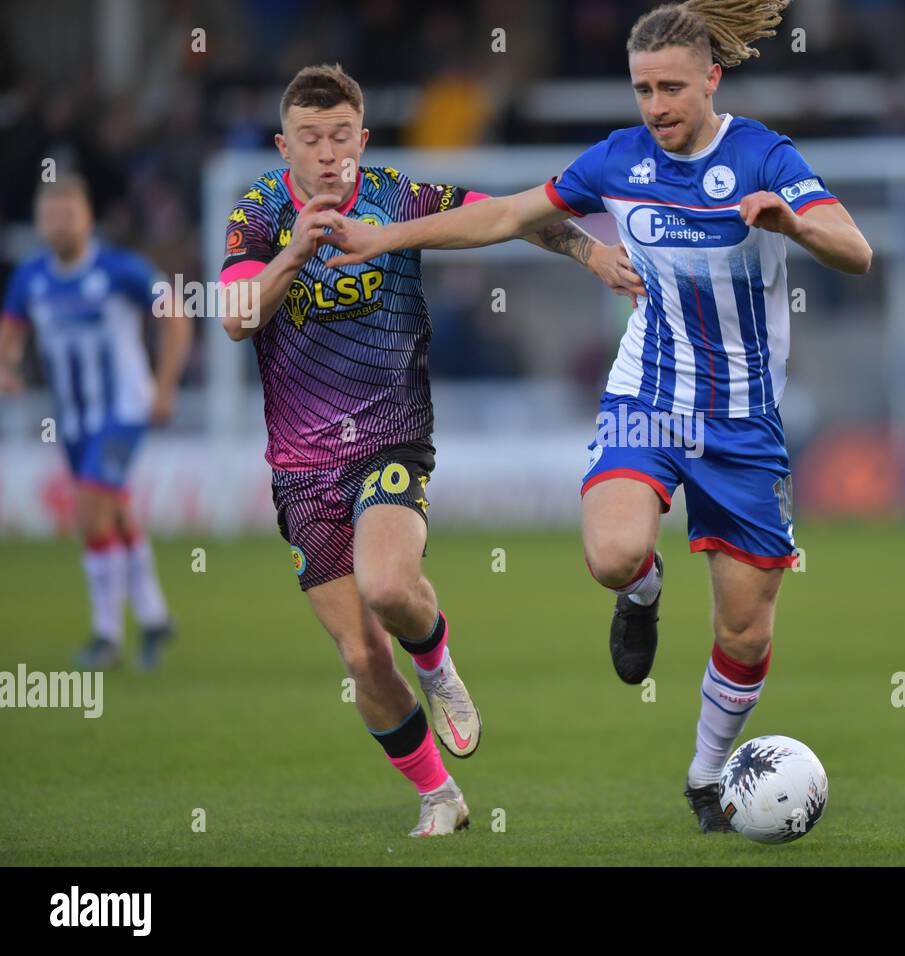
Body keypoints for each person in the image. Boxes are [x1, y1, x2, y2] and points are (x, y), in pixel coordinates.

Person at [320, 1, 871, 834]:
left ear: (712, 79)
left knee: (746, 633)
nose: (657, 107)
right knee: (613, 556)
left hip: (742, 422)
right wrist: (387, 236)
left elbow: (855, 248)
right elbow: (506, 214)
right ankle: (643, 591)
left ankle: (705, 773)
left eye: (673, 89)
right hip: (645, 395)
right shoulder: (619, 160)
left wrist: (791, 220)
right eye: (643, 89)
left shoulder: (763, 155)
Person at [218, 63, 639, 837]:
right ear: (285, 147)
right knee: (362, 660)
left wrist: (588, 254)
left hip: (391, 440)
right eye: (310, 140)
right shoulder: (257, 212)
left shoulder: (398, 198)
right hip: (300, 469)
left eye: (341, 136)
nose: (327, 154)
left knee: (387, 586)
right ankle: (440, 794)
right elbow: (237, 316)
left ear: (363, 139)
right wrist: (292, 254)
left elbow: (510, 215)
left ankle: (437, 661)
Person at [0, 174, 191, 671]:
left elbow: (174, 315)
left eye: (68, 213)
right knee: (114, 512)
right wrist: (8, 365)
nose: (58, 224)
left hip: (125, 411)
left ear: (87, 218)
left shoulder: (120, 269)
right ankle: (154, 619)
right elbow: (11, 331)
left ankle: (105, 635)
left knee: (89, 512)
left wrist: (165, 384)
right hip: (73, 421)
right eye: (49, 215)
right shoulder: (31, 278)